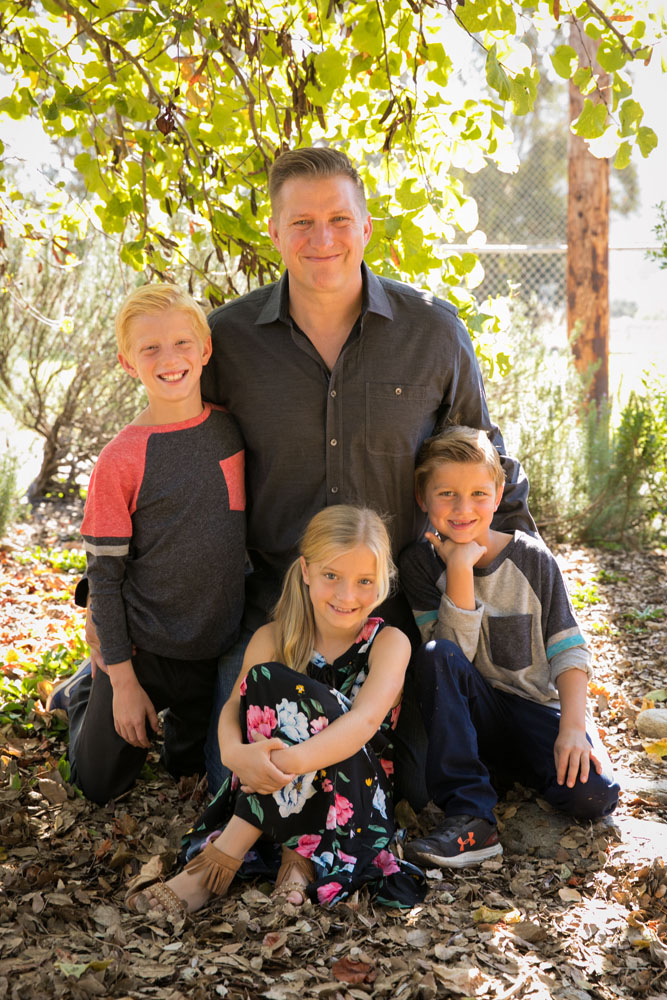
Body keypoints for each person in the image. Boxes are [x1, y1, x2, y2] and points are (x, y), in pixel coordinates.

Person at [196, 146, 537, 797]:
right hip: (277, 594)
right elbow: (176, 461)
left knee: (413, 782)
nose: (321, 239)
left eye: (337, 219)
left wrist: (533, 596)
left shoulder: (432, 333)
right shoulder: (228, 341)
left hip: (397, 600)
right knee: (239, 780)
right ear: (273, 232)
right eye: (301, 223)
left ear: (366, 226)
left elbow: (485, 462)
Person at [126, 506, 426, 914]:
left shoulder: (391, 643)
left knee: (298, 693)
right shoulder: (272, 637)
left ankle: (230, 849)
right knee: (267, 678)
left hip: (353, 796)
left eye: (364, 581)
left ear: (382, 584)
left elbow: (364, 722)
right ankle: (295, 858)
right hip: (267, 779)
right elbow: (233, 707)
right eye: (331, 576)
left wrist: (280, 765)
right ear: (305, 571)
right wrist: (234, 755)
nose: (347, 595)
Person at [56, 284, 246, 804]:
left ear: (206, 350)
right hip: (146, 650)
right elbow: (105, 578)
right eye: (150, 348)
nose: (170, 359)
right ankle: (83, 690)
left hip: (215, 650)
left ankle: (170, 718)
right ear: (127, 362)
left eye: (183, 343)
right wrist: (121, 681)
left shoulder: (231, 429)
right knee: (99, 784)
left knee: (186, 766)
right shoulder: (121, 459)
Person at [398, 426, 620, 869]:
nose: (463, 510)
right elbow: (449, 657)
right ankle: (472, 816)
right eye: (447, 495)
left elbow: (569, 649)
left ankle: (512, 772)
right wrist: (459, 569)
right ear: (423, 499)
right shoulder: (419, 565)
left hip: (536, 710)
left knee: (596, 794)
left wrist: (573, 728)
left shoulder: (532, 558)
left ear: (499, 495)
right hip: (474, 716)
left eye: (479, 493)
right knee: (435, 655)